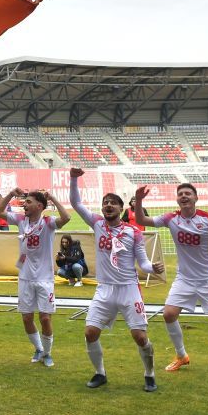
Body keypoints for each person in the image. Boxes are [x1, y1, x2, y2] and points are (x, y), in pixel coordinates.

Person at [132, 182, 208, 376]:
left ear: (195, 198)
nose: (184, 196)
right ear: (177, 199)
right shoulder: (171, 218)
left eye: (188, 193)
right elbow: (142, 219)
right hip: (184, 278)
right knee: (168, 314)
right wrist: (139, 199)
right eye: (180, 194)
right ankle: (181, 356)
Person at [69, 167, 165, 392]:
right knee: (90, 332)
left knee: (140, 337)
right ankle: (100, 373)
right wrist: (74, 179)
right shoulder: (97, 224)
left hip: (129, 289)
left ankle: (149, 373)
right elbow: (75, 203)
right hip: (104, 289)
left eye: (113, 202)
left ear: (121, 208)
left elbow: (142, 263)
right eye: (105, 203)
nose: (108, 205)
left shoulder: (134, 232)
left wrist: (152, 267)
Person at [0, 187, 72, 367]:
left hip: (45, 278)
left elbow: (66, 218)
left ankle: (48, 353)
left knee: (45, 318)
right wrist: (12, 194)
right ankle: (38, 349)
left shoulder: (48, 222)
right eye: (24, 201)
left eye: (28, 202)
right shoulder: (21, 220)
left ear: (39, 205)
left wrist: (52, 198)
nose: (24, 205)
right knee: (27, 317)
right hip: (26, 277)